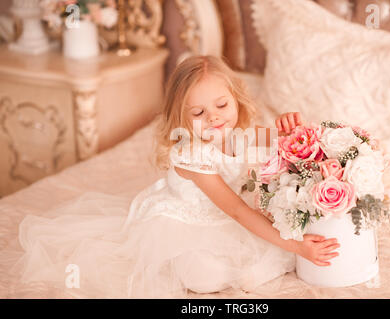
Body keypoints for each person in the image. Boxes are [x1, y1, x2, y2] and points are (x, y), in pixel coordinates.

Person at [1, 55, 339, 298]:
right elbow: (235, 209)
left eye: (221, 105)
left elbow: (286, 140)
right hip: (185, 219)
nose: (214, 119)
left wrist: (291, 125)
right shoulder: (190, 154)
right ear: (181, 116)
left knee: (266, 259)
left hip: (227, 218)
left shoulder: (240, 132)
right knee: (207, 275)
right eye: (198, 112)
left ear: (235, 99)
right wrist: (295, 245)